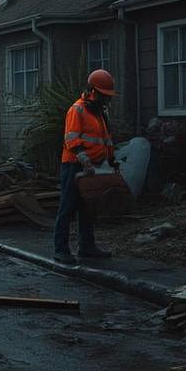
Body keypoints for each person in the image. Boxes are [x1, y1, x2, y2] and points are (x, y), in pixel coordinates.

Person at [52, 69, 119, 264]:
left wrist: (110, 161)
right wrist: (85, 160)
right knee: (68, 206)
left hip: (94, 166)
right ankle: (61, 249)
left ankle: (87, 246)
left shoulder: (98, 113)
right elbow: (71, 138)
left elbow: (105, 140)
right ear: (93, 92)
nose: (107, 100)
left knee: (87, 207)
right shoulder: (78, 109)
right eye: (104, 96)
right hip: (74, 165)